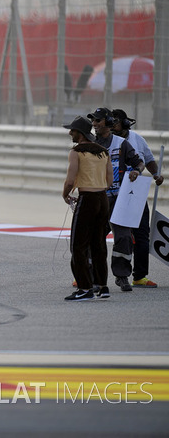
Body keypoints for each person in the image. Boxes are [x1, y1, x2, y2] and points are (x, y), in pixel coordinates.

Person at [87, 107, 145, 292]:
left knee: (124, 238)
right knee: (94, 239)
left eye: (97, 121)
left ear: (108, 123)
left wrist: (137, 171)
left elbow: (139, 163)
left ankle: (122, 276)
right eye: (93, 121)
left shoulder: (121, 143)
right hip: (96, 199)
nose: (94, 124)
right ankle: (94, 278)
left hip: (119, 200)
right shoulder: (90, 143)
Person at [110, 108, 164, 288]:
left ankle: (139, 276)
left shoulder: (137, 139)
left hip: (136, 193)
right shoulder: (106, 141)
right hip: (112, 193)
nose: (113, 124)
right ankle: (85, 274)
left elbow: (148, 159)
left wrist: (156, 174)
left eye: (116, 121)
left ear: (126, 123)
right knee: (97, 234)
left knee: (141, 235)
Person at [62, 116, 113, 301]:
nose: (70, 133)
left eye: (72, 130)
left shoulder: (76, 152)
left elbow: (70, 180)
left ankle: (84, 288)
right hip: (102, 199)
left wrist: (65, 194)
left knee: (78, 245)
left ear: (80, 133)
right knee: (98, 243)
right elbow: (110, 181)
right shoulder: (103, 151)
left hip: (87, 199)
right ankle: (103, 286)